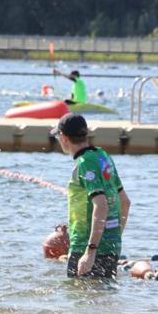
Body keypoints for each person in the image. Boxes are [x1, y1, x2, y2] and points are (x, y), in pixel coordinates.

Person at [54, 113, 130, 279]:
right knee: (102, 301)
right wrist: (114, 237)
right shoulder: (103, 156)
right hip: (111, 247)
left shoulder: (84, 163)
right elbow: (125, 202)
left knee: (79, 300)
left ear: (64, 137)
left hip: (86, 247)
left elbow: (100, 205)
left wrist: (90, 251)